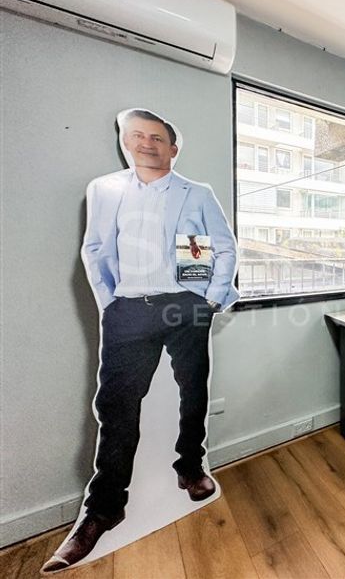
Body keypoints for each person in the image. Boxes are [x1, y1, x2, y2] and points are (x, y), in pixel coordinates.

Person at [42, 109, 238, 573]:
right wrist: (111, 303)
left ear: (173, 148)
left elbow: (223, 246)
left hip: (186, 304)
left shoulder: (197, 193)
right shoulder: (105, 190)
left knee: (194, 391)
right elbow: (94, 248)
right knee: (116, 407)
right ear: (126, 143)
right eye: (138, 136)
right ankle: (104, 508)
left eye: (157, 137)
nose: (147, 143)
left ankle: (190, 467)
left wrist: (210, 299)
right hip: (129, 308)